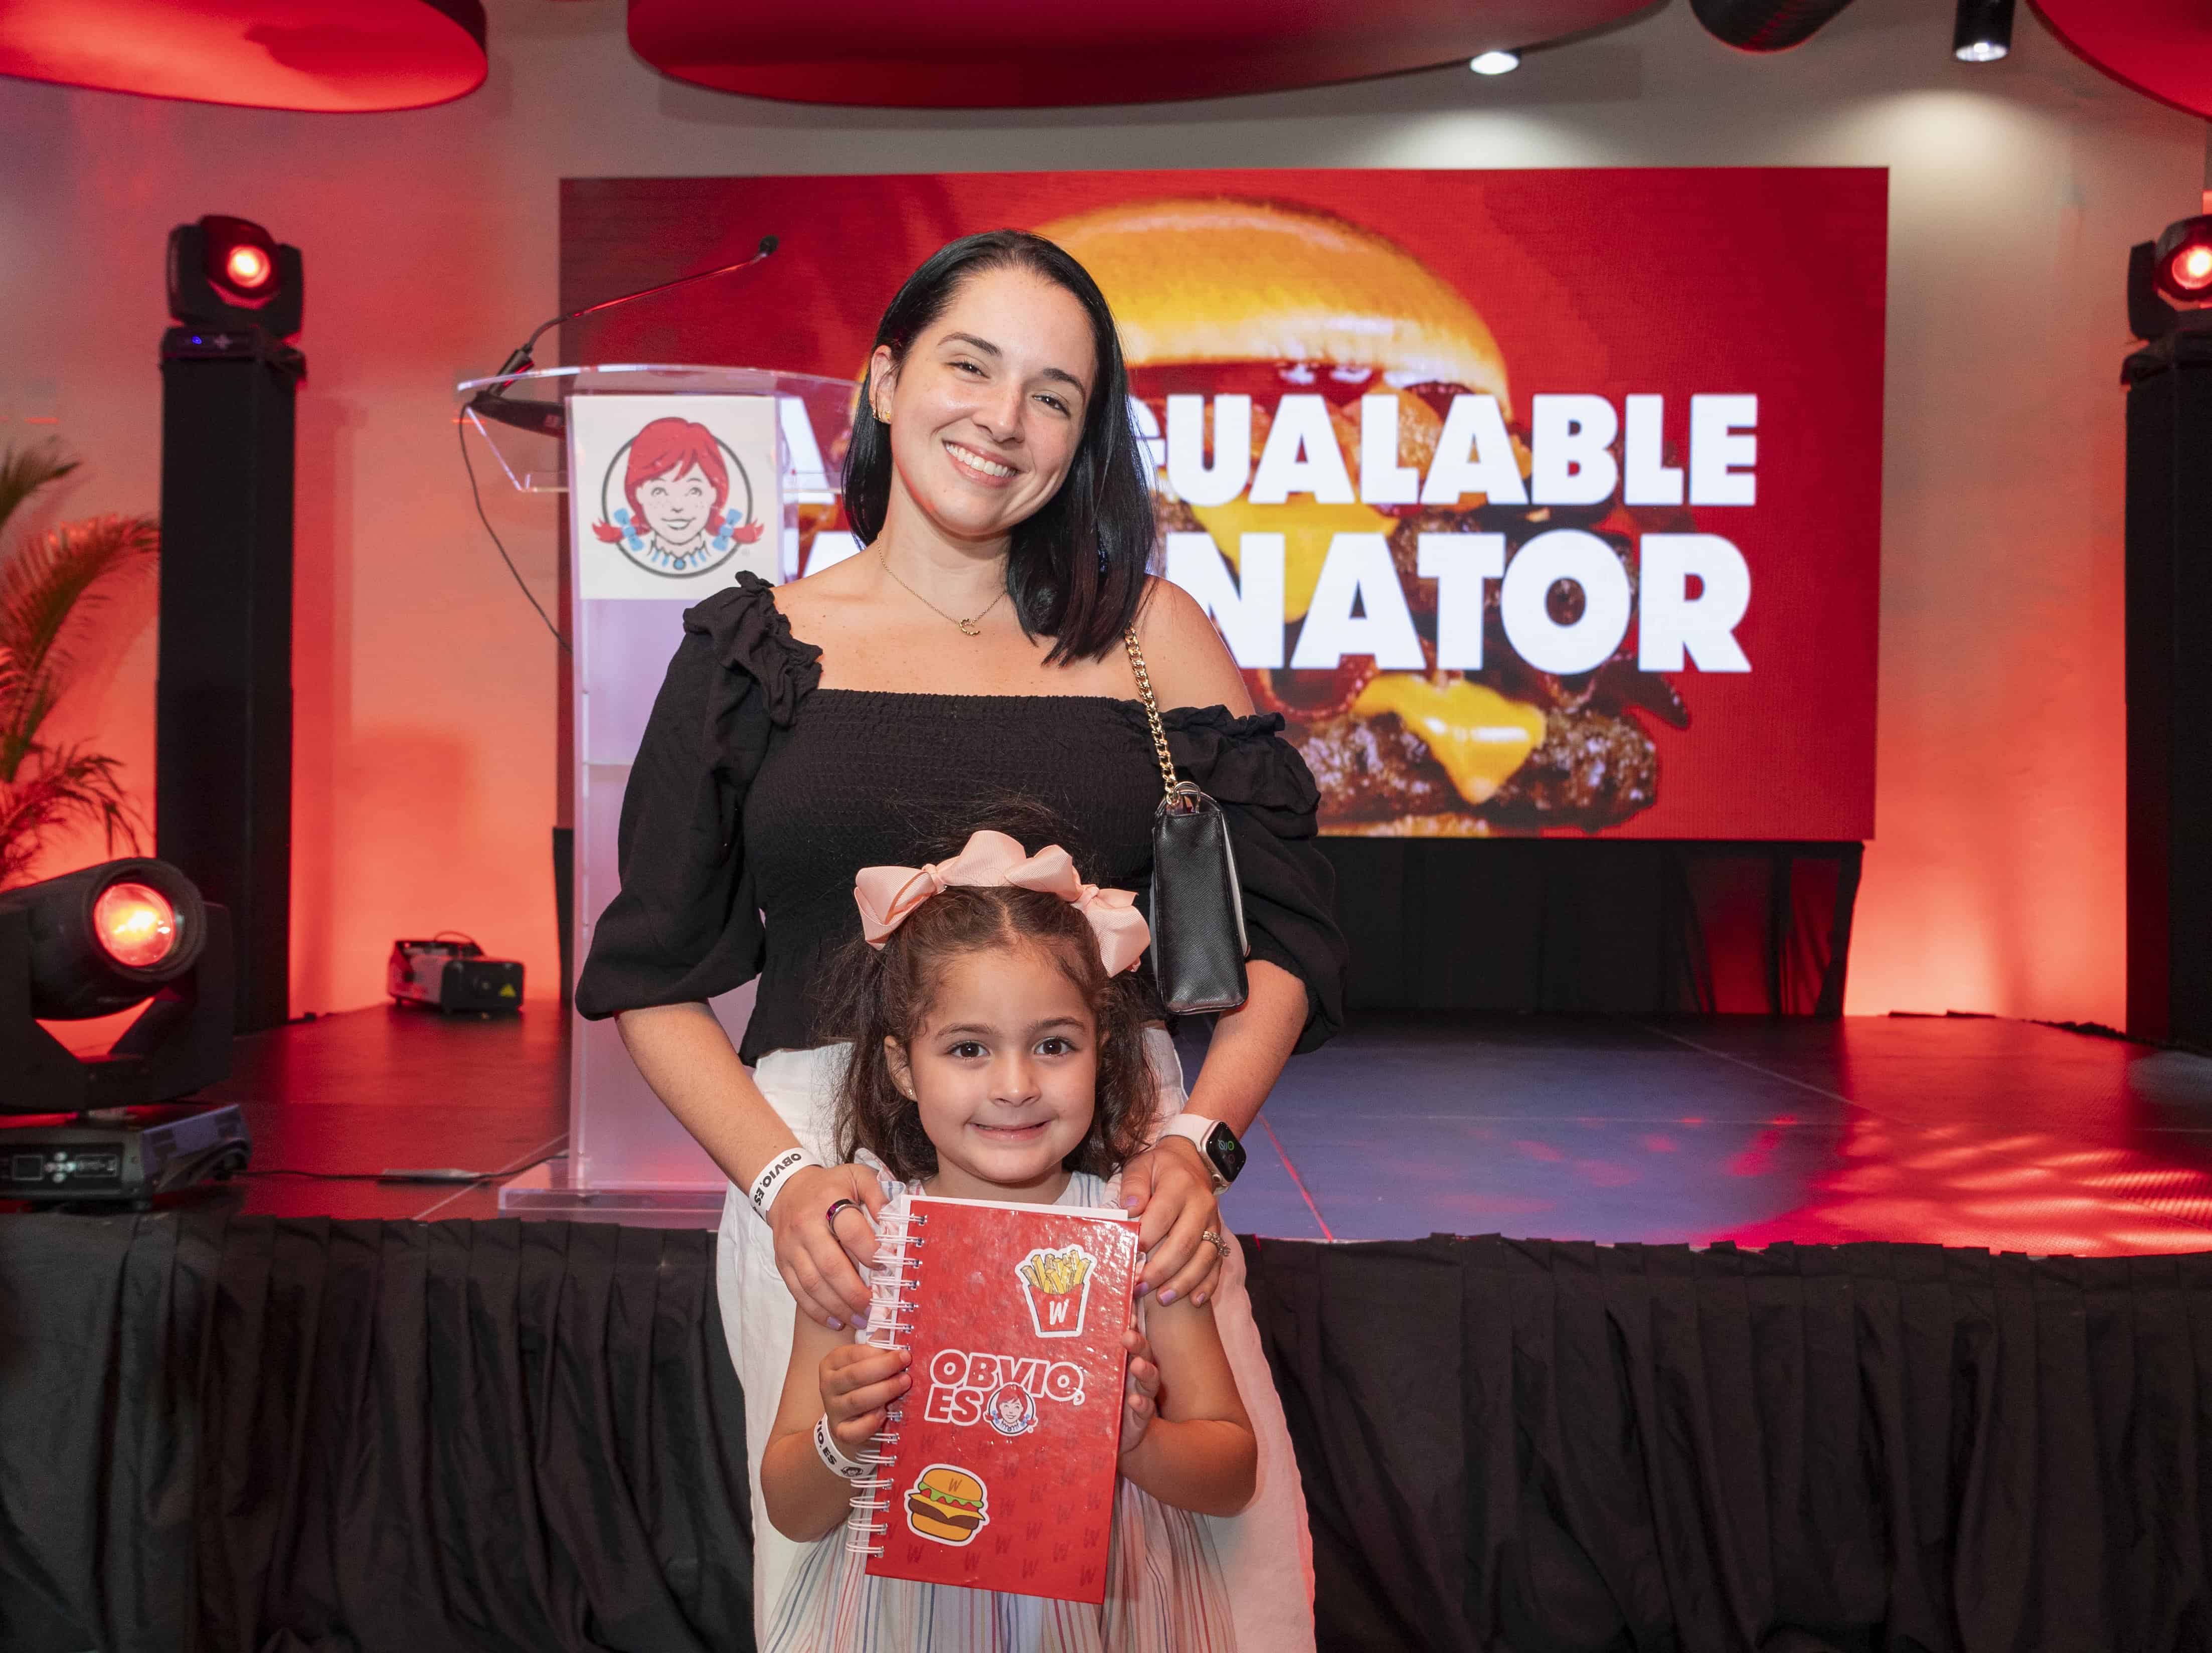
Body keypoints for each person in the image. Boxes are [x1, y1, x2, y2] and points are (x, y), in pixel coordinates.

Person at [575, 228, 1347, 1646]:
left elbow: (1280, 944)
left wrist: (1196, 1146)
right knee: (864, 1583)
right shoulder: (754, 653)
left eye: (1054, 395)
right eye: (968, 366)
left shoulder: (1151, 637)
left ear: (1085, 438)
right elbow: (654, 978)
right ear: (881, 382)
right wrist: (787, 1187)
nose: (1002, 419)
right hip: (834, 1194)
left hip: (1113, 1176)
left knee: (1186, 1581)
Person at [758, 830, 1255, 1648]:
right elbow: (791, 1507)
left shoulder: (1140, 1235)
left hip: (1100, 1616)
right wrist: (840, 1436)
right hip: (905, 1621)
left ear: (1102, 1052)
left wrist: (1137, 1441)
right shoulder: (868, 1247)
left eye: (1054, 1045)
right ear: (904, 1067)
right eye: (968, 1049)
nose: (1017, 1086)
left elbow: (1232, 1473)